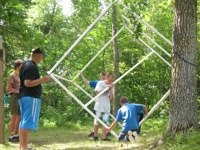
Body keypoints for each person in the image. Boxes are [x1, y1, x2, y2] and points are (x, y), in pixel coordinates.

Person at [18, 47, 50, 150]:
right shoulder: (31, 66)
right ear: (37, 55)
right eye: (42, 57)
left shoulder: (24, 65)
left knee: (23, 122)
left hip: (24, 96)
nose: (42, 59)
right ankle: (24, 146)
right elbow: (28, 83)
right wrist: (43, 80)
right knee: (27, 122)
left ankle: (22, 145)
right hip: (30, 97)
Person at [79, 71, 109, 137]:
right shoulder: (97, 83)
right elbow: (87, 82)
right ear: (100, 76)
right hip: (99, 104)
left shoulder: (108, 84)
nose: (103, 77)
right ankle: (95, 133)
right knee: (97, 119)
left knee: (106, 119)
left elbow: (110, 96)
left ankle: (106, 132)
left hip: (105, 104)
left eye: (105, 75)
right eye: (102, 75)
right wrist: (81, 75)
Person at [6, 59, 24, 142]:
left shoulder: (21, 75)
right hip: (14, 97)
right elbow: (8, 88)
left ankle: (16, 135)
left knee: (19, 117)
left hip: (20, 97)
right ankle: (11, 136)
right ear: (17, 66)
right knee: (14, 117)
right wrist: (19, 91)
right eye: (22, 65)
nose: (23, 66)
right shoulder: (12, 75)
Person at [93, 72, 114, 141]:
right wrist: (106, 89)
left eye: (112, 80)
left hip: (106, 107)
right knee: (97, 122)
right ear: (106, 78)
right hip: (99, 106)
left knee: (105, 122)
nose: (110, 82)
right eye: (110, 80)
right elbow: (97, 93)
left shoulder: (111, 86)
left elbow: (111, 98)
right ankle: (95, 136)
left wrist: (110, 89)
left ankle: (104, 137)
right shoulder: (100, 83)